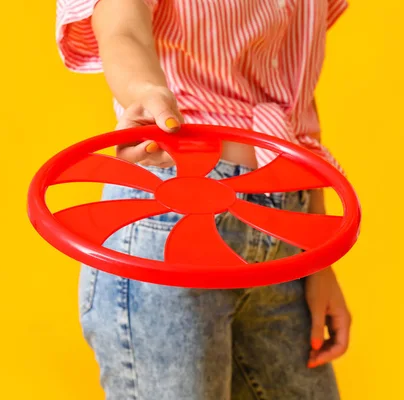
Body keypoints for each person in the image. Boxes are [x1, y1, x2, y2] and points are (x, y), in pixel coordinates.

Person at [56, 0, 352, 399]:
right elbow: (121, 26)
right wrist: (146, 94)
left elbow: (293, 105)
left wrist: (318, 256)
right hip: (171, 219)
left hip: (287, 228)